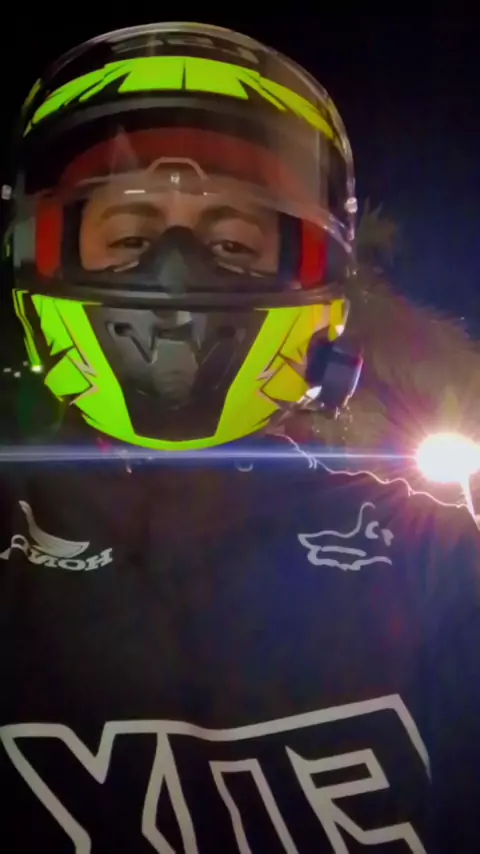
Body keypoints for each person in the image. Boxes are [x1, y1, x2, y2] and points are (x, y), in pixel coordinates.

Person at [1, 21, 479, 853]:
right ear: (41, 252)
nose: (174, 273)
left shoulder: (432, 558)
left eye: (231, 242)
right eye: (129, 238)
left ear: (315, 274)